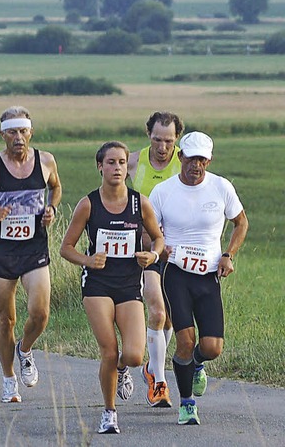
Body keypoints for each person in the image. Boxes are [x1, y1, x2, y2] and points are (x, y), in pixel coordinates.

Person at [61, 141, 164, 434]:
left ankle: (121, 371)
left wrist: (152, 255)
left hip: (130, 282)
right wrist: (88, 260)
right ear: (100, 167)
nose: (117, 168)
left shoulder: (139, 202)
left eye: (121, 162)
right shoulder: (88, 204)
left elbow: (158, 238)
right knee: (109, 350)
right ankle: (109, 413)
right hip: (97, 283)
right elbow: (65, 248)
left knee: (132, 355)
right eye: (111, 163)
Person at [0, 106, 61, 404]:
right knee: (6, 319)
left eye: (23, 131)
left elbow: (55, 188)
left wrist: (51, 209)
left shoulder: (45, 160)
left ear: (31, 132)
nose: (19, 137)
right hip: (3, 252)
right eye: (13, 132)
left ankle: (26, 349)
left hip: (34, 248)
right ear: (3, 134)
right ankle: (8, 379)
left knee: (40, 314)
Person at [149, 131, 249, 426]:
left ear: (209, 160)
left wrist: (229, 254)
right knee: (184, 340)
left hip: (207, 275)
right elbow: (149, 230)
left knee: (211, 347)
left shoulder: (221, 187)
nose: (196, 165)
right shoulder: (164, 192)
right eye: (191, 158)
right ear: (180, 157)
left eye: (202, 160)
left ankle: (195, 365)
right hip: (176, 272)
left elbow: (241, 222)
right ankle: (187, 404)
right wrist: (159, 246)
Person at [127, 111, 183, 407]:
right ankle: (159, 382)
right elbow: (114, 199)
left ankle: (152, 366)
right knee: (157, 312)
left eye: (169, 141)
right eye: (157, 139)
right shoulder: (133, 162)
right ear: (148, 134)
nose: (163, 147)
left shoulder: (185, 164)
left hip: (177, 250)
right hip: (145, 251)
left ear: (178, 140)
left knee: (172, 316)